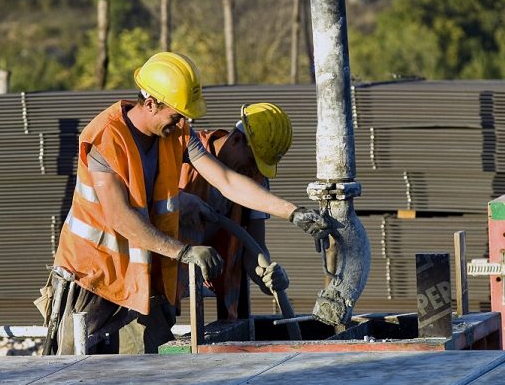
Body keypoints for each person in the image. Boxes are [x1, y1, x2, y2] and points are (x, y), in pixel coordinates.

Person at [42, 51, 331, 355]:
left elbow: (227, 182)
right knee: (72, 371)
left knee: (152, 370)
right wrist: (184, 251)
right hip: (93, 276)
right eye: (177, 115)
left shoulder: (177, 133)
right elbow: (121, 218)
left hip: (146, 277)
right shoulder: (106, 138)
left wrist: (293, 212)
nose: (182, 123)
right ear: (151, 102)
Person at [178, 103, 294, 321]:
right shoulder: (185, 157)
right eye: (252, 161)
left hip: (220, 291)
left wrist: (266, 276)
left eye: (261, 168)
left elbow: (255, 250)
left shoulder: (255, 180)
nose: (253, 172)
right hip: (163, 278)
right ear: (236, 139)